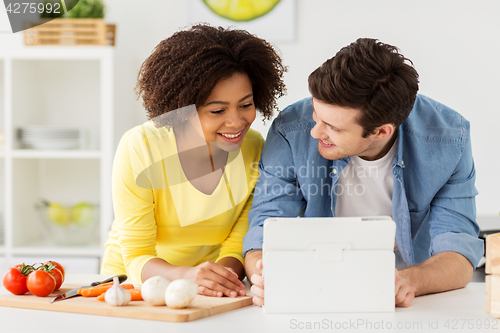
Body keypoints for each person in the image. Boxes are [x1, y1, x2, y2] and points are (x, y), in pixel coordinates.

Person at [243, 38, 483, 307]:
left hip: (407, 300)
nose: (315, 132)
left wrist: (406, 282)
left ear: (381, 131)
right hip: (312, 290)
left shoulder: (449, 139)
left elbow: (458, 254)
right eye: (315, 114)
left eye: (333, 127)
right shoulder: (290, 129)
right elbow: (264, 229)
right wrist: (264, 276)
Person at [101, 24, 286, 298]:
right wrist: (188, 275)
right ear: (182, 108)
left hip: (212, 285)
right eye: (218, 110)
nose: (237, 121)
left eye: (246, 105)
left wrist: (218, 279)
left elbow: (237, 241)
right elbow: (137, 255)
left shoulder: (255, 147)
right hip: (133, 285)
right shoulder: (141, 147)